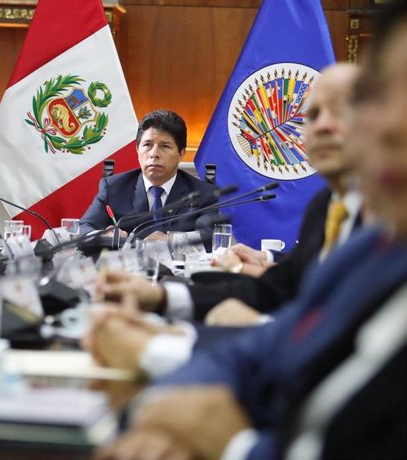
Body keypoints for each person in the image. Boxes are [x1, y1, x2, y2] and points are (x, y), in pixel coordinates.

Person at [95, 3, 407, 458]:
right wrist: (159, 380)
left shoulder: (376, 232)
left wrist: (232, 444)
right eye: (385, 98)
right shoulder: (374, 247)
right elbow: (274, 347)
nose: (386, 128)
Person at [79, 110, 219, 243]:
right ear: (137, 150)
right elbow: (85, 228)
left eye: (164, 146)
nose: (154, 154)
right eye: (147, 145)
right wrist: (102, 236)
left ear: (181, 153)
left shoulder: (203, 194)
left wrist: (169, 240)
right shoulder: (113, 188)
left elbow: (208, 236)